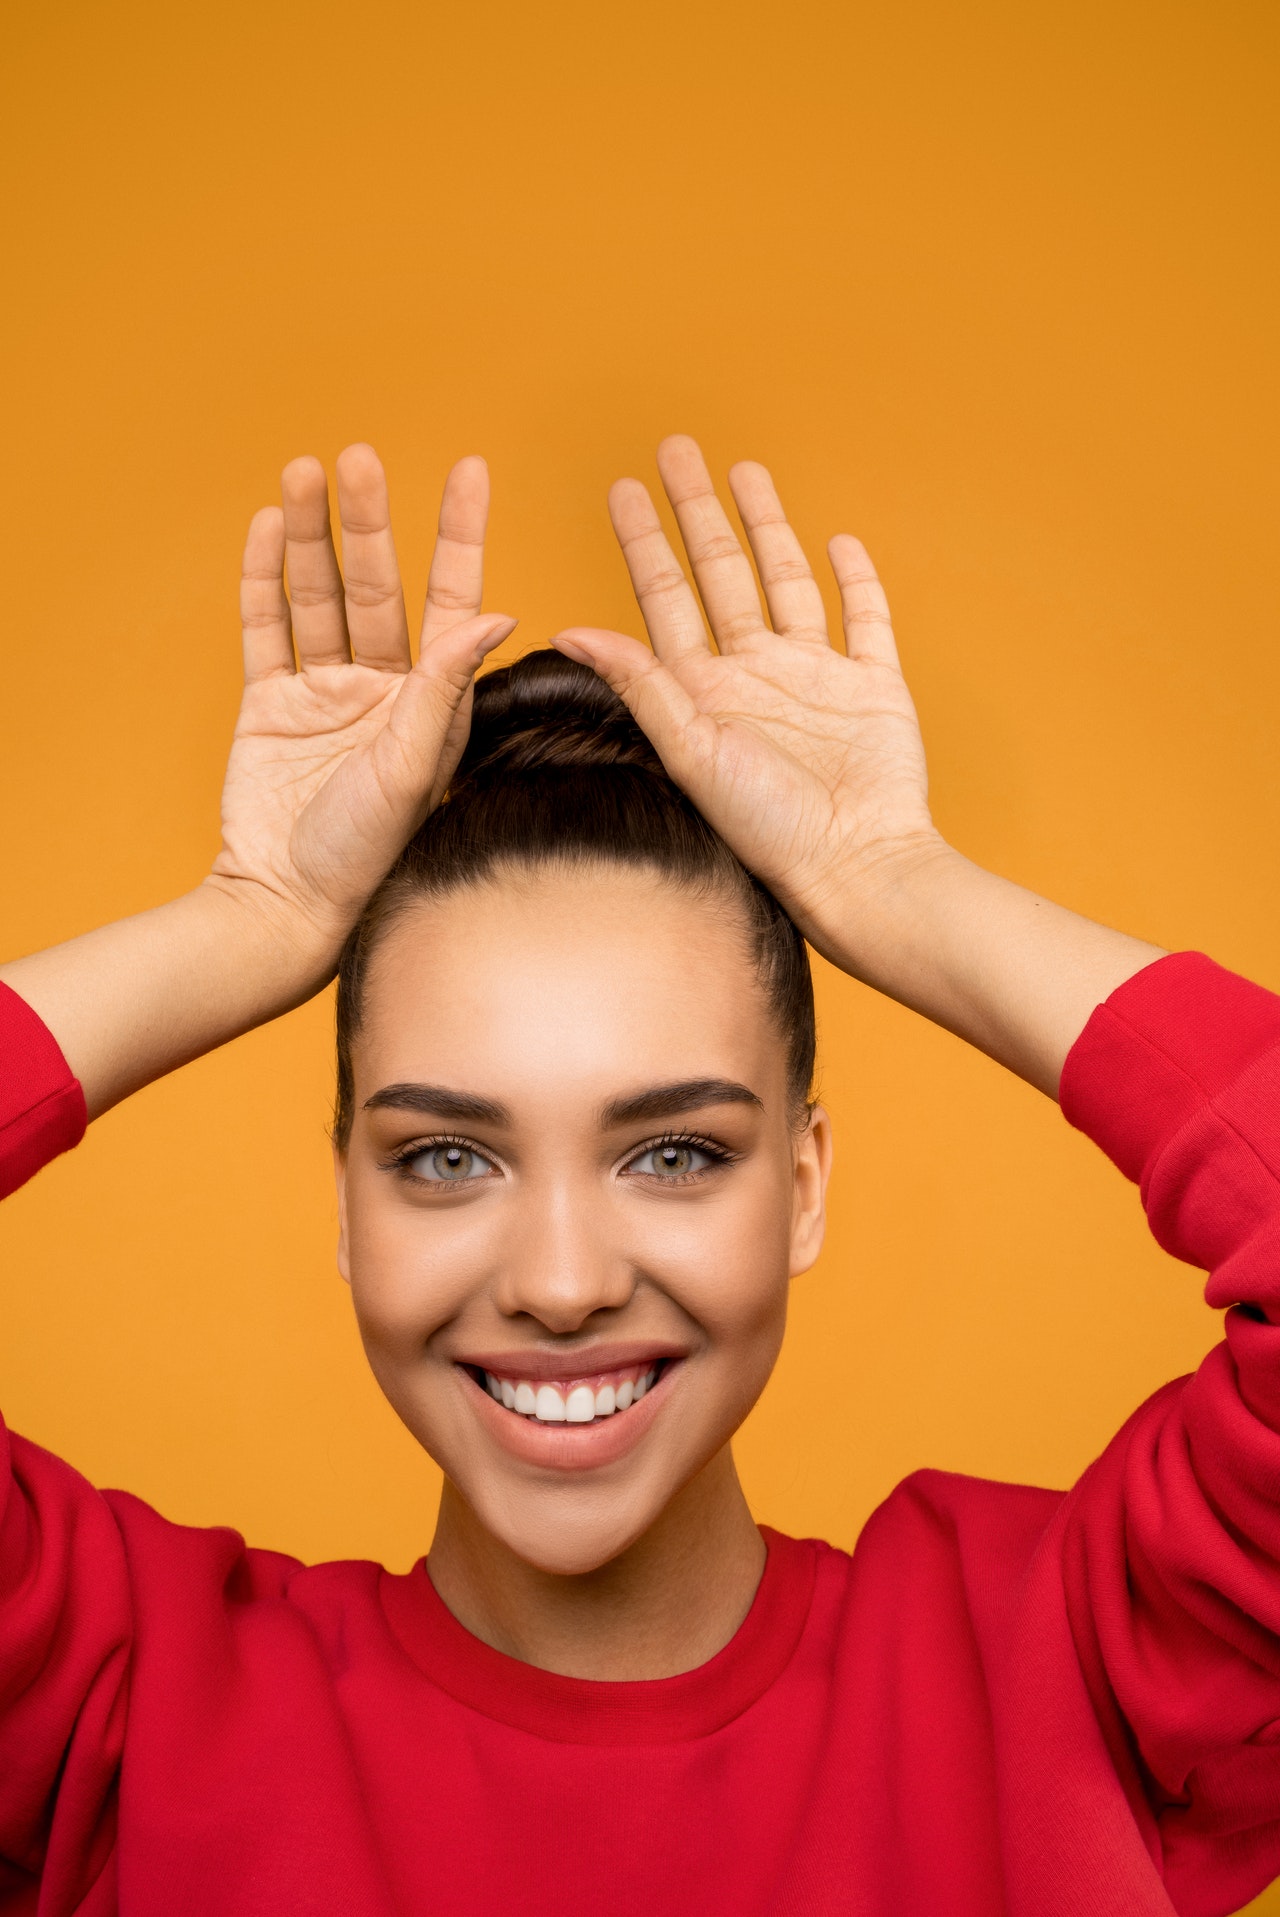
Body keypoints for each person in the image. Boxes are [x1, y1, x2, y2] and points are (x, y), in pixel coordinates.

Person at [1, 436, 1278, 1917]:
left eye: (673, 1151)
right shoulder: (126, 1714)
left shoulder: (1066, 1673)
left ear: (801, 1185)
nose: (561, 1280)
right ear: (345, 1196)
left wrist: (899, 882)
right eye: (446, 1156)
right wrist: (247, 917)